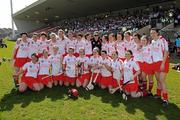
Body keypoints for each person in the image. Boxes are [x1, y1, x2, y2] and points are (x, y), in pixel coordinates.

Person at [150, 28, 169, 106]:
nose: (152, 34)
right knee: (158, 80)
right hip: (155, 63)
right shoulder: (152, 41)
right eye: (151, 33)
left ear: (157, 33)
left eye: (154, 33)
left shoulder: (162, 40)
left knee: (161, 80)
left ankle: (165, 99)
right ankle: (158, 94)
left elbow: (166, 52)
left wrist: (163, 63)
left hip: (162, 62)